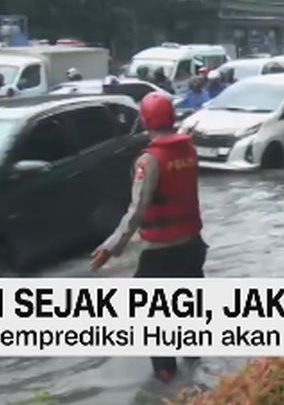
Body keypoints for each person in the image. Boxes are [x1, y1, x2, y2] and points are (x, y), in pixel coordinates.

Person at [90, 92, 207, 382]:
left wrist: (111, 247)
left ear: (144, 120)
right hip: (193, 245)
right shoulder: (188, 150)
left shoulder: (149, 161)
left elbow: (136, 210)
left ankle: (166, 375)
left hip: (160, 251)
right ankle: (195, 361)